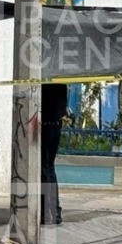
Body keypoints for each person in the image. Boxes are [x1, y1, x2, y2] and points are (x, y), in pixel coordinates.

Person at [41, 83, 68, 225]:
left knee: (45, 169)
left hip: (46, 126)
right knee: (49, 169)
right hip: (55, 126)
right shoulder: (61, 84)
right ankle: (54, 211)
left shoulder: (46, 84)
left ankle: (47, 212)